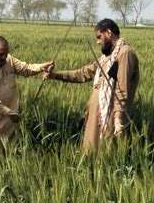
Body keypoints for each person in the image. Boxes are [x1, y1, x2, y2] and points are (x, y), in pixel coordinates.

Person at [43, 18, 139, 150]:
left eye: (99, 37)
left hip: (109, 116)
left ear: (108, 33)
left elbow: (122, 88)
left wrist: (118, 118)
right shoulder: (106, 57)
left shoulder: (124, 53)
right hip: (97, 116)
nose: (98, 42)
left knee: (106, 153)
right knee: (91, 152)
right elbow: (83, 73)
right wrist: (55, 75)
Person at [0, 36, 54, 153]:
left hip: (9, 115)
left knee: (10, 149)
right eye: (0, 54)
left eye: (6, 53)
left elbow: (25, 69)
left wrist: (41, 67)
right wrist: (9, 112)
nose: (4, 57)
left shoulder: (8, 60)